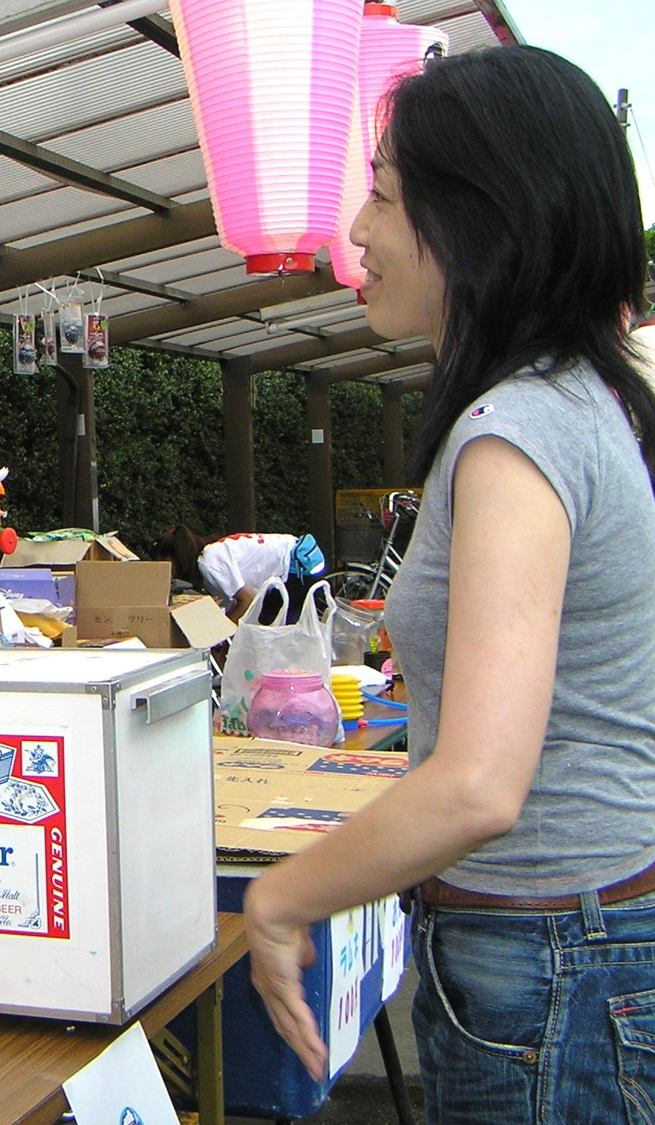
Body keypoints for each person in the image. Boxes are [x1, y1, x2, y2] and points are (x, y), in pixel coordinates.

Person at [243, 47, 655, 1123]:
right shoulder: (575, 401)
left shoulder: (515, 433)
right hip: (571, 950)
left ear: (483, 218)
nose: (357, 231)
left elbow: (478, 784)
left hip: (551, 966)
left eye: (384, 196)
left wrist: (281, 898)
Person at [152, 525, 325, 620]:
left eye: (164, 564)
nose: (167, 572)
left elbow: (247, 600)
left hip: (295, 568)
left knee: (269, 632)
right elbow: (234, 603)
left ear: (176, 556)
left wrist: (222, 636)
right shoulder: (213, 554)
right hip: (299, 560)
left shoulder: (209, 561)